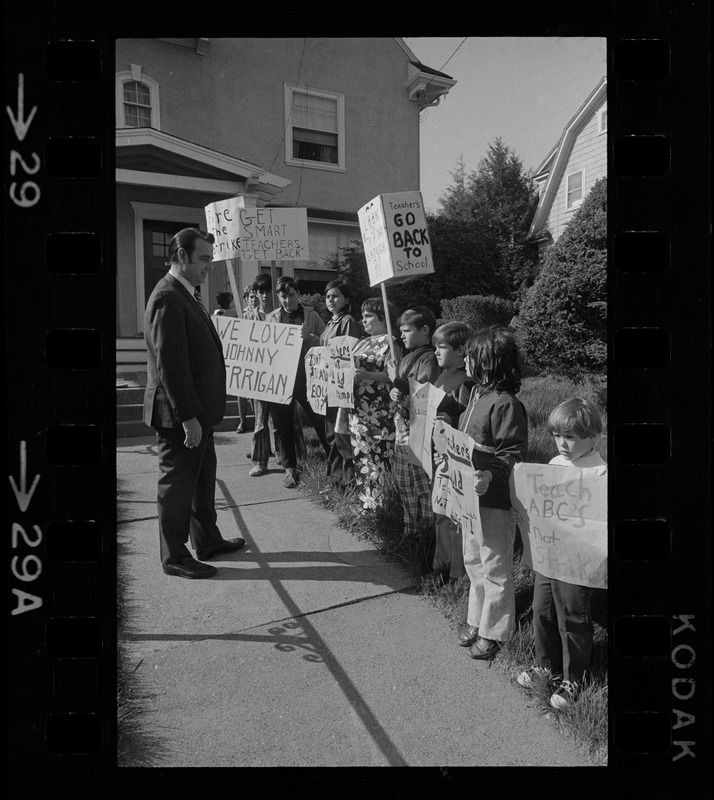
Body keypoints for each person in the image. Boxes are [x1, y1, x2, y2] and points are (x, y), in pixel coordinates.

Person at [143, 228, 246, 579]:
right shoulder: (167, 297)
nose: (209, 266)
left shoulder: (186, 294)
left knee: (203, 479)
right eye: (203, 259)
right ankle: (174, 555)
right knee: (177, 484)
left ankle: (207, 540)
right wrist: (188, 416)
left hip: (199, 412)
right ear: (182, 257)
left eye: (210, 259)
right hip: (180, 415)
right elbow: (171, 365)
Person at [515, 397, 606, 708]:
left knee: (573, 617)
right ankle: (545, 665)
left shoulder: (599, 474)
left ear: (592, 435)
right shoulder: (554, 465)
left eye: (570, 437)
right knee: (542, 610)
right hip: (549, 557)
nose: (562, 444)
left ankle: (573, 677)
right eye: (556, 436)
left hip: (578, 564)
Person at [455, 325, 527, 659]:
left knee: (495, 566)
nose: (465, 360)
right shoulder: (476, 396)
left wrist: (488, 474)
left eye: (470, 355)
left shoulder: (507, 405)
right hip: (469, 500)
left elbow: (511, 453)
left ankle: (496, 631)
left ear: (486, 362)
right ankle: (477, 619)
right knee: (473, 561)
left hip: (494, 501)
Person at [267, 276, 330, 488]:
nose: (287, 300)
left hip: (307, 377)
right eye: (283, 296)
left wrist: (310, 337)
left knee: (320, 418)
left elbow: (327, 341)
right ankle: (290, 468)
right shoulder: (271, 318)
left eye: (291, 295)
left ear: (298, 295)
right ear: (278, 297)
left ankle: (334, 461)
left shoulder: (310, 315)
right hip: (281, 378)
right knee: (282, 426)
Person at [389, 307, 440, 540]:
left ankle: (427, 531)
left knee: (420, 483)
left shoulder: (429, 359)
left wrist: (404, 392)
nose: (402, 335)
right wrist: (395, 390)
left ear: (425, 330)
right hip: (402, 426)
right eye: (400, 330)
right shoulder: (407, 358)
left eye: (407, 330)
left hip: (418, 428)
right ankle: (410, 527)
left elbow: (424, 392)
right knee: (404, 481)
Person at [430, 321, 475, 582]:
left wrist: (445, 405)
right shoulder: (441, 376)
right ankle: (441, 563)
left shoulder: (465, 382)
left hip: (455, 460)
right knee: (440, 510)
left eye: (442, 347)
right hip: (438, 454)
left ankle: (457, 571)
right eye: (435, 347)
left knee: (455, 514)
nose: (437, 352)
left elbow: (465, 421)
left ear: (460, 351)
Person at [349, 297, 403, 511]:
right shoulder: (362, 341)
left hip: (379, 411)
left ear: (383, 317)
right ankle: (367, 504)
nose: (364, 319)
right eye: (363, 315)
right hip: (358, 410)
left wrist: (367, 374)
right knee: (363, 458)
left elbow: (395, 376)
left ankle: (386, 506)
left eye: (369, 315)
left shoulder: (391, 342)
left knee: (380, 458)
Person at [320, 279, 363, 490]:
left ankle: (348, 480)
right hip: (327, 385)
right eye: (328, 296)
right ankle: (335, 479)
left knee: (341, 433)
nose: (331, 300)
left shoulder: (348, 322)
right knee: (331, 434)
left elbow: (346, 354)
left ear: (346, 299)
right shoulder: (331, 323)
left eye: (335, 296)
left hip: (341, 386)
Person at [247, 274, 278, 476]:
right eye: (261, 292)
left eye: (268, 291)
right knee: (260, 420)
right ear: (256, 294)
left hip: (279, 373)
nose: (265, 295)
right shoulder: (249, 316)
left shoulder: (279, 315)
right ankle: (260, 460)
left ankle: (287, 455)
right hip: (259, 375)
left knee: (283, 420)